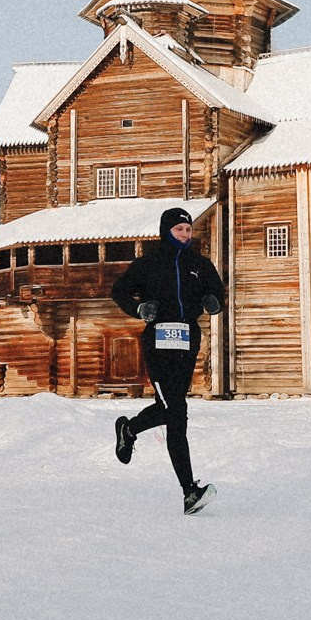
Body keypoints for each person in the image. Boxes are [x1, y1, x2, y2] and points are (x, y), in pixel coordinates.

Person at [110, 206, 224, 514]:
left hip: (187, 343)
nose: (185, 235)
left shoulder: (199, 265)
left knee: (170, 407)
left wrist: (213, 302)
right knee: (176, 412)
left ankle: (129, 430)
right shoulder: (148, 265)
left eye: (188, 230)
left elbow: (217, 293)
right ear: (166, 231)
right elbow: (119, 291)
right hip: (158, 343)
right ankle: (189, 491)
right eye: (179, 230)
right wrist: (139, 310)